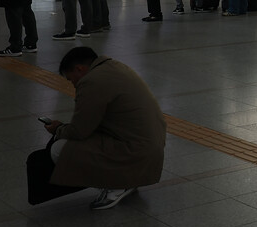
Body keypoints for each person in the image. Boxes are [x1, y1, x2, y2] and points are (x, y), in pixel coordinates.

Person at [35, 47, 165, 209]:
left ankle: (117, 185)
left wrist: (58, 129)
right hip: (149, 150)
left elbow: (79, 131)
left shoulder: (92, 81)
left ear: (79, 69)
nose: (74, 85)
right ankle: (126, 181)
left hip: (136, 152)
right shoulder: (115, 67)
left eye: (71, 79)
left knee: (59, 148)